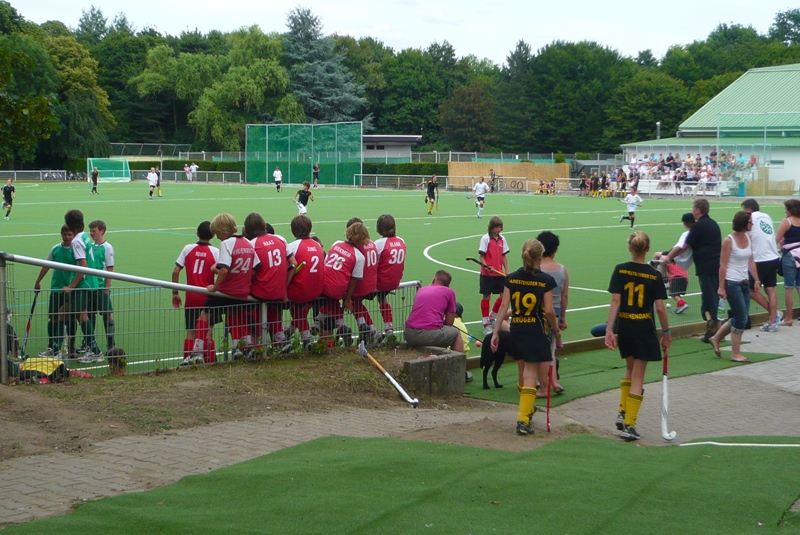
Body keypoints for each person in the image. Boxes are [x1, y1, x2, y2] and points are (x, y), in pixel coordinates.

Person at [605, 232, 671, 441]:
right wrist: (667, 332)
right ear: (648, 249)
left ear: (629, 248)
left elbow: (615, 301)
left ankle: (623, 411)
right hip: (643, 328)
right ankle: (629, 424)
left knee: (629, 368)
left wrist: (609, 329)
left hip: (625, 326)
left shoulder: (620, 269)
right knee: (638, 376)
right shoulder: (654, 275)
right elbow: (660, 309)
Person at [489, 239, 558, 435]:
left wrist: (495, 332)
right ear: (539, 257)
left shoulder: (511, 278)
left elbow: (503, 306)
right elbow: (549, 311)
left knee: (524, 372)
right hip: (535, 329)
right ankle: (523, 418)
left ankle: (526, 411)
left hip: (516, 329)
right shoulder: (546, 280)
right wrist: (556, 330)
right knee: (530, 375)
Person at [195, 213, 259, 362]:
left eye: (217, 233)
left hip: (227, 290)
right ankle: (240, 348)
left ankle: (196, 351)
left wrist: (215, 287)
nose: (217, 237)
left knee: (205, 315)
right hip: (243, 290)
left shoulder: (226, 244)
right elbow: (255, 268)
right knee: (235, 316)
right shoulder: (248, 243)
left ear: (223, 230)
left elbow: (223, 269)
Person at [665, 198, 721, 342]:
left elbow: (684, 246)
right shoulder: (714, 224)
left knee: (709, 298)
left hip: (705, 266)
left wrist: (668, 256)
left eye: (693, 208)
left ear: (697, 210)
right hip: (717, 265)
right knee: (713, 295)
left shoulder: (698, 227)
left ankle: (712, 328)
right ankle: (717, 329)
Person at [709, 212, 759, 363]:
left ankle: (716, 338)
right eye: (750, 222)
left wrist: (756, 280)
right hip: (732, 283)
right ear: (743, 223)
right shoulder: (729, 240)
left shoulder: (749, 238)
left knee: (739, 316)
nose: (752, 224)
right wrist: (721, 287)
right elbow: (723, 265)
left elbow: (751, 261)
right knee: (742, 318)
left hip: (744, 282)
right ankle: (735, 353)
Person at [245, 212, 295, 353]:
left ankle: (254, 346)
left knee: (247, 308)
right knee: (272, 305)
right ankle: (279, 338)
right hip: (279, 291)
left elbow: (252, 273)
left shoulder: (252, 244)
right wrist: (284, 287)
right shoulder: (280, 239)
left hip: (261, 291)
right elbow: (293, 265)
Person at [172, 221, 220, 365]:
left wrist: (175, 293)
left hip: (191, 297)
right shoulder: (216, 252)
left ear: (197, 233)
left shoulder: (188, 249)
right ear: (213, 235)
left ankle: (188, 361)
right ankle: (210, 362)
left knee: (191, 331)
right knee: (208, 331)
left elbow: (176, 271)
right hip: (208, 297)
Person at [318, 222, 368, 348]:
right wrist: (347, 300)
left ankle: (325, 326)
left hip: (322, 284)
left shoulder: (336, 243)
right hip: (336, 289)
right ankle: (341, 326)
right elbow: (353, 282)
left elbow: (326, 263)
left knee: (329, 303)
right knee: (334, 298)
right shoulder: (359, 257)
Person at [62, 210, 103, 361]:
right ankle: (65, 347)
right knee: (74, 314)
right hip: (88, 282)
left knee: (76, 315)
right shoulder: (84, 236)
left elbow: (83, 267)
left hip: (82, 284)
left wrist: (71, 286)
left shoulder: (76, 241)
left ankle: (95, 351)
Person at [34, 225, 79, 357]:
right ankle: (52, 346)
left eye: (70, 235)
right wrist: (38, 281)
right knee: (53, 318)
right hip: (56, 289)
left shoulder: (77, 251)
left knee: (70, 319)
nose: (67, 237)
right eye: (65, 235)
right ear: (61, 235)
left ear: (74, 236)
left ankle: (71, 348)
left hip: (71, 291)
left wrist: (72, 286)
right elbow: (46, 265)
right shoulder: (55, 249)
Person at [741, 199, 781, 332]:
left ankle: (773, 314)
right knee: (771, 289)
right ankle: (772, 322)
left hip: (760, 258)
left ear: (749, 209)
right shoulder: (766, 216)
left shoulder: (749, 219)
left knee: (752, 290)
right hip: (773, 256)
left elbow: (746, 236)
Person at [285, 215, 326, 349]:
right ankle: (290, 330)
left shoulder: (292, 247)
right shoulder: (318, 246)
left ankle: (306, 336)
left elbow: (288, 269)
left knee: (294, 306)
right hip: (317, 289)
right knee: (300, 306)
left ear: (292, 230)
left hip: (301, 290)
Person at [537, 231, 568, 395]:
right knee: (551, 348)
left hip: (537, 313)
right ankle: (554, 381)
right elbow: (564, 296)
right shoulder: (563, 270)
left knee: (541, 351)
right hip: (554, 313)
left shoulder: (536, 269)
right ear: (555, 249)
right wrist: (563, 317)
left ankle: (544, 384)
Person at [404, 270, 463, 353]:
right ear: (448, 285)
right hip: (427, 335)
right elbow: (449, 323)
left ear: (433, 279)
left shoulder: (421, 290)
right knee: (456, 333)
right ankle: (458, 362)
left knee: (438, 331)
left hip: (408, 333)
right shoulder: (449, 292)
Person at [82, 220, 116, 358]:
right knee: (90, 314)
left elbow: (110, 268)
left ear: (102, 231)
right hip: (90, 286)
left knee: (107, 314)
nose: (91, 233)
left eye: (94, 231)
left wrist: (106, 288)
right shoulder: (89, 246)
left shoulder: (107, 247)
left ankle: (110, 344)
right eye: (90, 231)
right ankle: (89, 344)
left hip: (101, 287)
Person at [652, 212, 695, 314]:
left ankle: (662, 280)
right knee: (660, 258)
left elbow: (680, 247)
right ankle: (664, 281)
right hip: (684, 276)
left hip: (677, 268)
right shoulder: (698, 233)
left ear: (684, 223)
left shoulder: (686, 234)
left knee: (659, 257)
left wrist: (670, 255)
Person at [346, 217, 380, 344]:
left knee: (349, 300)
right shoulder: (372, 243)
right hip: (372, 283)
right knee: (358, 304)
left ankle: (367, 329)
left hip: (362, 284)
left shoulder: (357, 247)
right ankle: (369, 330)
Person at [373, 214, 406, 341]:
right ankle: (389, 327)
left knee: (355, 298)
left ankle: (368, 329)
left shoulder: (378, 244)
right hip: (395, 281)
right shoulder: (401, 241)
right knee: (382, 299)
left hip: (381, 282)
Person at [478, 216, 510, 334]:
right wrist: (486, 266)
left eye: (500, 227)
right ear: (491, 227)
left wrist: (507, 270)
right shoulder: (485, 239)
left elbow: (503, 256)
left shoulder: (502, 239)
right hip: (487, 274)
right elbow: (481, 256)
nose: (499, 229)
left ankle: (492, 317)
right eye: (496, 227)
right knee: (486, 297)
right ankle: (486, 322)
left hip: (499, 273)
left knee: (503, 297)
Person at [775, 198, 800, 327]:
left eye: (786, 209)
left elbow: (776, 239)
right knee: (799, 285)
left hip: (790, 255)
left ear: (790, 210)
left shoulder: (787, 222)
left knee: (789, 287)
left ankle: (789, 318)